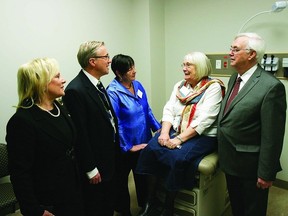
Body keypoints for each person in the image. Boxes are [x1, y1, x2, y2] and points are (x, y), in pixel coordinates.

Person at [135, 52, 225, 216]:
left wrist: (178, 139)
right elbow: (169, 110)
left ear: (200, 67)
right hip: (175, 129)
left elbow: (204, 121)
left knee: (176, 157)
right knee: (150, 150)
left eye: (188, 65)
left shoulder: (213, 88)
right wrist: (163, 133)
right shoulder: (180, 86)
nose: (184, 68)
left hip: (201, 135)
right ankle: (150, 202)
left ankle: (168, 207)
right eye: (183, 64)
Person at [217, 33, 287, 216]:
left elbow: (272, 136)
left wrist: (266, 173)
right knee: (237, 207)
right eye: (230, 48)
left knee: (253, 210)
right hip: (231, 160)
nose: (229, 53)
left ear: (251, 54)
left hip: (251, 166)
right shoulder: (234, 78)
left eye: (235, 49)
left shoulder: (271, 87)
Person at [6, 58, 83, 216]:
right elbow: (20, 173)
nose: (63, 80)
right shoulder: (22, 121)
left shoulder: (58, 107)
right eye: (57, 76)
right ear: (41, 83)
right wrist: (34, 209)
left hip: (71, 190)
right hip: (49, 200)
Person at [62, 41, 120, 216]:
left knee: (108, 203)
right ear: (92, 61)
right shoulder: (75, 90)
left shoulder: (98, 84)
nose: (109, 60)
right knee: (95, 206)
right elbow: (80, 134)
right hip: (95, 163)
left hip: (109, 156)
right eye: (106, 57)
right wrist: (90, 168)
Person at [106, 54, 161, 216]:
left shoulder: (138, 86)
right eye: (129, 69)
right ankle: (124, 211)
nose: (134, 71)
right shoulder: (113, 92)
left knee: (143, 176)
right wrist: (127, 146)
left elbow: (147, 110)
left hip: (144, 140)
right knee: (122, 182)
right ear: (118, 72)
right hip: (126, 146)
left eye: (133, 67)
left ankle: (145, 207)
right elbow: (116, 123)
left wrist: (157, 128)